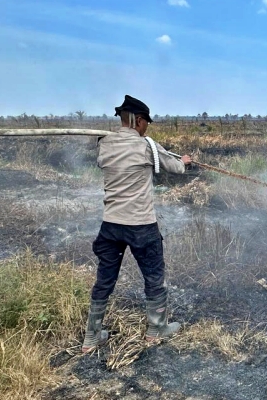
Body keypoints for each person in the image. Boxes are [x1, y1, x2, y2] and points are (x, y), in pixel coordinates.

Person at [82, 95, 192, 353]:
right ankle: (156, 331)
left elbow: (103, 161)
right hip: (141, 226)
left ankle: (91, 337)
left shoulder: (105, 144)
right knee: (154, 276)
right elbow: (175, 168)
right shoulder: (146, 146)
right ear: (138, 120)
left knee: (104, 280)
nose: (146, 128)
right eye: (146, 124)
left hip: (110, 225)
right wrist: (184, 161)